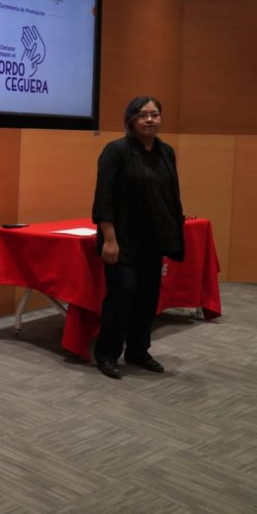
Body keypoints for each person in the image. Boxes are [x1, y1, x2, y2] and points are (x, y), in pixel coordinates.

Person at [92, 95, 184, 380]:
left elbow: (171, 196)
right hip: (121, 241)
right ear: (130, 119)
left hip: (153, 240)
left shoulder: (166, 152)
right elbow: (104, 198)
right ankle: (107, 354)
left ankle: (138, 351)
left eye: (154, 114)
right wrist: (109, 239)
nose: (149, 119)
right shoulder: (116, 151)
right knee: (123, 295)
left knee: (147, 298)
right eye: (142, 114)